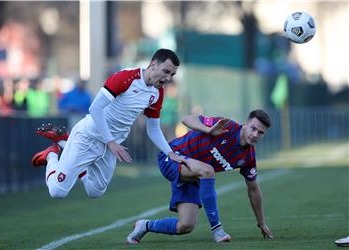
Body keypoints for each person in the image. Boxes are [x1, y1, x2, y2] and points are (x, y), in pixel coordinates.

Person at [31, 48, 184, 199]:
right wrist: (110, 142)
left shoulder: (158, 93)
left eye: (172, 74)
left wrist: (170, 153)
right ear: (153, 64)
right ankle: (51, 155)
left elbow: (153, 129)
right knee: (57, 192)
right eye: (166, 71)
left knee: (95, 192)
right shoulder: (126, 78)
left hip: (112, 146)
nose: (168, 78)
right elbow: (95, 109)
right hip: (89, 137)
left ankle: (76, 160)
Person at [126, 109, 274, 243]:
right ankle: (217, 230)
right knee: (208, 170)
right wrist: (208, 130)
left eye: (260, 132)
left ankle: (144, 225)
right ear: (245, 124)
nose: (255, 135)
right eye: (253, 128)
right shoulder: (226, 126)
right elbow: (186, 119)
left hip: (193, 173)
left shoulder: (248, 158)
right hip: (172, 156)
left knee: (185, 225)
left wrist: (261, 222)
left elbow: (253, 190)